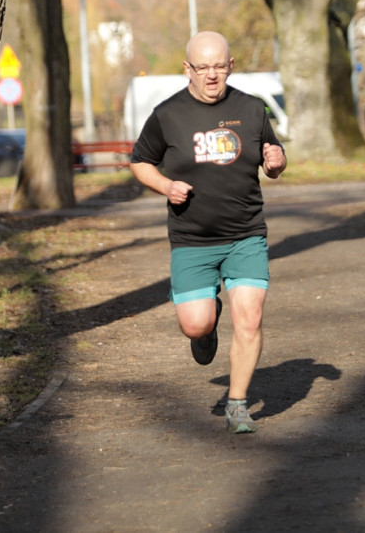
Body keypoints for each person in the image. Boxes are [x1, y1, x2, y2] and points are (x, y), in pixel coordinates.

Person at [130, 31, 287, 434]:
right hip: (193, 239)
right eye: (204, 67)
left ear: (230, 66)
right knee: (195, 325)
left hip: (246, 233)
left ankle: (237, 403)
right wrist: (165, 186)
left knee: (250, 320)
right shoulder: (168, 114)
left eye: (220, 66)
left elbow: (273, 157)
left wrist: (276, 161)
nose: (212, 75)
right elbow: (140, 162)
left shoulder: (251, 109)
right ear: (188, 69)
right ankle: (207, 324)